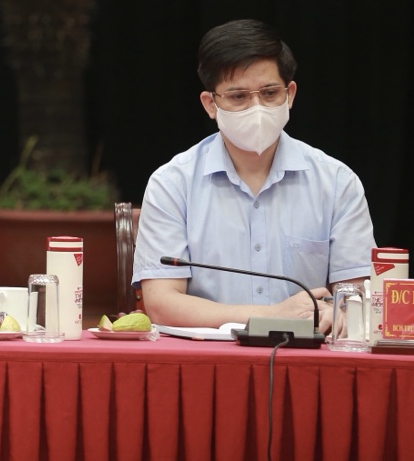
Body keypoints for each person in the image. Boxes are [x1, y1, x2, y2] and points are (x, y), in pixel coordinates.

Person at [132, 19, 375, 330]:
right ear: (210, 104)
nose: (257, 108)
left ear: (290, 94)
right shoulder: (172, 184)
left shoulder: (337, 183)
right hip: (207, 355)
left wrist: (337, 312)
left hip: (304, 353)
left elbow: (357, 297)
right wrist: (270, 316)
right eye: (238, 97)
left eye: (270, 93)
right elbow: (161, 304)